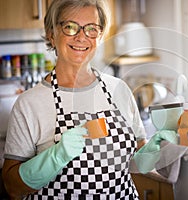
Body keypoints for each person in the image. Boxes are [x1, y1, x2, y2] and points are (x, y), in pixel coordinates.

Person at [2, 0, 148, 199]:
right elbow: (13, 187)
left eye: (91, 28)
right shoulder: (29, 103)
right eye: (70, 27)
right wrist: (57, 155)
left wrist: (161, 151)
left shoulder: (119, 89)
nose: (81, 37)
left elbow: (137, 161)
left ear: (99, 35)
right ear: (52, 34)